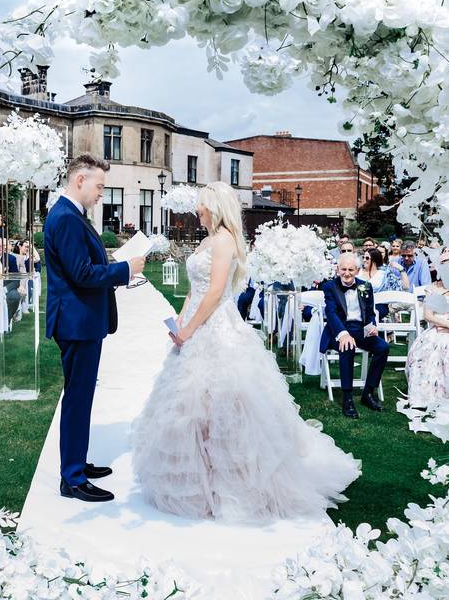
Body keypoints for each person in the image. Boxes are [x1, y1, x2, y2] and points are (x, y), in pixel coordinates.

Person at [132, 182, 360, 522]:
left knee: (227, 398)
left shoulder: (224, 240)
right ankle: (198, 473)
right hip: (195, 323)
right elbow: (195, 290)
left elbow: (215, 291)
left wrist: (191, 328)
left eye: (203, 207)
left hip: (217, 327)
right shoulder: (207, 240)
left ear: (216, 208)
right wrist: (179, 321)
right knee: (189, 401)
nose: (198, 211)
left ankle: (232, 479)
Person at [45, 154, 145, 503]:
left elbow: (85, 265)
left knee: (81, 397)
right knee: (77, 398)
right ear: (80, 181)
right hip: (76, 322)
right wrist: (124, 270)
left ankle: (76, 463)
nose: (102, 192)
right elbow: (82, 274)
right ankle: (71, 478)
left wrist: (116, 265)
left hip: (81, 319)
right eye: (100, 186)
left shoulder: (72, 215)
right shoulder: (66, 217)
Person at [320, 253, 391, 418]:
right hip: (338, 329)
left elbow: (370, 313)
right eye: (343, 269)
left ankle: (368, 393)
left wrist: (372, 325)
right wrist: (343, 334)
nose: (346, 273)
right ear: (337, 269)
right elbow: (330, 313)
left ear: (357, 270)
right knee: (348, 346)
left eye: (350, 269)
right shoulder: (330, 286)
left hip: (360, 329)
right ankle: (347, 397)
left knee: (383, 347)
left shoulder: (365, 286)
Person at [405, 249, 449, 408]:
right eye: (445, 265)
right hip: (439, 328)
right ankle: (437, 396)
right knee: (438, 349)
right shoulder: (433, 288)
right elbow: (428, 316)